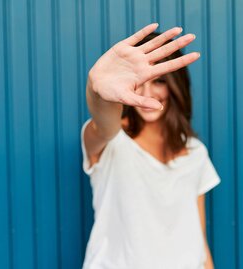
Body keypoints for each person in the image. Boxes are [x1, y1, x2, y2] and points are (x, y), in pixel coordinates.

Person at [80, 23, 221, 269]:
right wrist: (96, 90)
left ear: (175, 85)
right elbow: (103, 124)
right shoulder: (112, 140)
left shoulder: (195, 152)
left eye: (159, 82)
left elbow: (198, 241)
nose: (147, 93)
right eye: (139, 82)